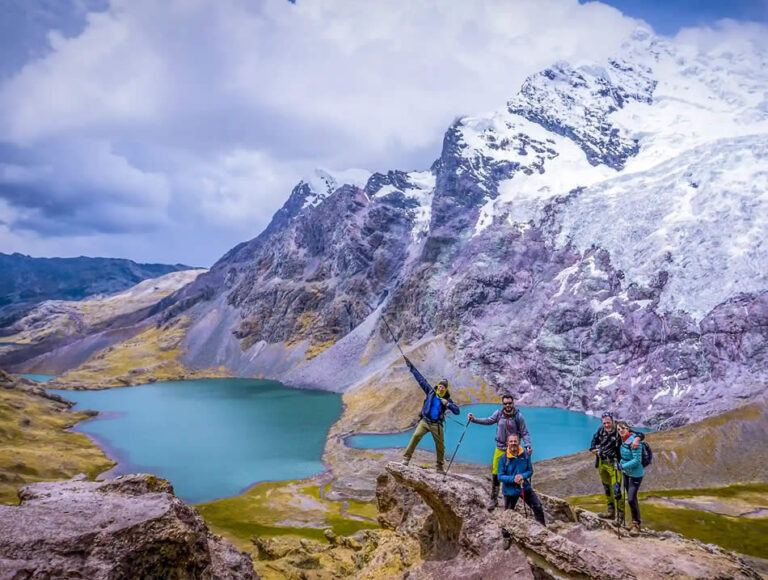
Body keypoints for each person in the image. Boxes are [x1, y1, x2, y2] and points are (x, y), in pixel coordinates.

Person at [467, 394, 531, 510]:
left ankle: (513, 500)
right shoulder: (498, 414)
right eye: (505, 403)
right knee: (496, 473)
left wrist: (528, 445)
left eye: (509, 403)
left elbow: (525, 432)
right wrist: (474, 420)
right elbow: (488, 420)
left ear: (513, 403)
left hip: (514, 450)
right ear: (503, 404)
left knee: (514, 474)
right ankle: (494, 499)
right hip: (500, 448)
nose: (507, 405)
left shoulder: (518, 417)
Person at [401, 356, 460, 473]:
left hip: (436, 425)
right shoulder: (430, 392)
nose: (441, 388)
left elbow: (457, 411)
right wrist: (411, 367)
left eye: (444, 387)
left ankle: (439, 467)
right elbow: (421, 380)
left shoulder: (447, 399)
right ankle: (406, 459)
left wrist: (447, 404)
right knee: (415, 436)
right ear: (438, 385)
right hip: (425, 421)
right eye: (440, 386)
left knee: (440, 446)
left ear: (446, 389)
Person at [588, 412, 643, 524]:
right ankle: (610, 512)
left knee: (617, 491)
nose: (606, 425)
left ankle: (620, 517)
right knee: (607, 489)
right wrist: (594, 449)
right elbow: (594, 441)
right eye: (604, 423)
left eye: (608, 422)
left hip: (614, 465)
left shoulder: (619, 430)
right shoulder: (601, 430)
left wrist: (637, 439)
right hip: (602, 463)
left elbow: (639, 434)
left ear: (612, 421)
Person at [498, 433, 546, 549]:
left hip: (524, 487)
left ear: (519, 442)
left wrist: (522, 476)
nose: (513, 443)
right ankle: (506, 536)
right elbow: (500, 476)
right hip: (510, 490)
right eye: (511, 441)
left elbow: (530, 471)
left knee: (537, 506)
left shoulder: (525, 455)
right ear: (507, 443)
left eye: (515, 441)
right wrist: (513, 479)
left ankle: (542, 530)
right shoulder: (503, 459)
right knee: (508, 513)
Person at [617, 421, 644, 536]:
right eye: (618, 429)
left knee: (631, 498)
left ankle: (636, 524)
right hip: (627, 473)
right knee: (632, 498)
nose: (621, 430)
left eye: (623, 428)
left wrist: (621, 466)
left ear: (628, 429)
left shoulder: (634, 441)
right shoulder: (623, 440)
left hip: (636, 474)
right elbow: (623, 456)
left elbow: (637, 461)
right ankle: (634, 523)